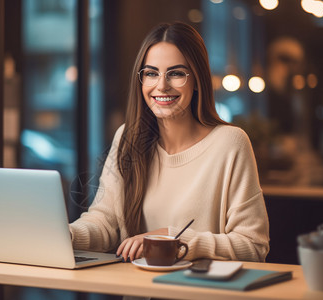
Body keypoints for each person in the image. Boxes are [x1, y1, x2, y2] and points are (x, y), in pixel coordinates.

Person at [69, 22, 269, 263]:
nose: (161, 85)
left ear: (197, 80)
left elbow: (253, 246)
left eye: (175, 73)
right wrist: (67, 235)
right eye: (151, 73)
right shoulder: (127, 137)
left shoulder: (231, 143)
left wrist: (170, 239)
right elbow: (104, 222)